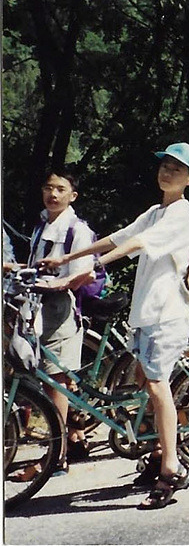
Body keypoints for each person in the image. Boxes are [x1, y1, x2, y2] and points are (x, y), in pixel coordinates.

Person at [44, 142, 189, 509]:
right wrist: (70, 257)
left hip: (168, 313)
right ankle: (158, 447)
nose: (167, 172)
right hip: (147, 312)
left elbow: (136, 244)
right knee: (144, 381)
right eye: (164, 165)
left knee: (158, 386)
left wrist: (90, 270)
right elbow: (117, 237)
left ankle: (171, 466)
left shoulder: (181, 213)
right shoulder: (155, 210)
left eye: (177, 169)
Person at [16, 169, 95, 477]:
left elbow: (84, 272)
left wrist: (59, 284)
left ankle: (57, 455)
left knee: (57, 381)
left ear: (72, 195)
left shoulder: (77, 229)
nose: (53, 194)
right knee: (43, 380)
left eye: (60, 189)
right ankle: (68, 439)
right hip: (35, 308)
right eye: (49, 187)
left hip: (61, 309)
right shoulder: (41, 226)